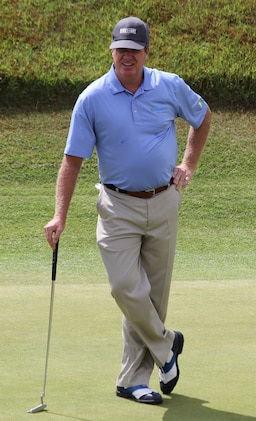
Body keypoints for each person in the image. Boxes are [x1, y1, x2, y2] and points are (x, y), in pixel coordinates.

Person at [44, 16, 211, 405]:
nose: (127, 56)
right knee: (125, 287)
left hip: (164, 201)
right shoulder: (92, 98)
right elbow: (72, 161)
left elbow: (202, 118)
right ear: (112, 51)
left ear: (146, 52)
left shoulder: (168, 85)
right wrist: (59, 215)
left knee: (153, 297)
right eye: (120, 49)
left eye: (134, 50)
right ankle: (168, 345)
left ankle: (132, 380)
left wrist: (188, 165)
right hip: (117, 206)